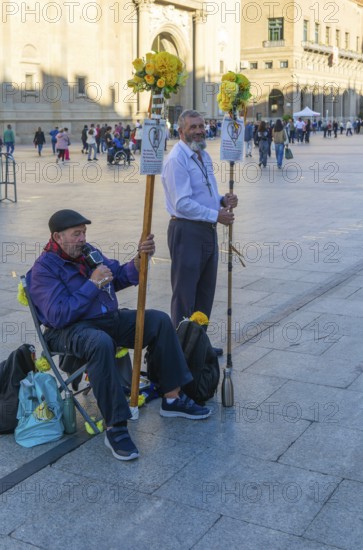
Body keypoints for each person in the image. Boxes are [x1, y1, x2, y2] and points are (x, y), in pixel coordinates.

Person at [26, 209, 211, 461]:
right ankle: (116, 427)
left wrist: (139, 259)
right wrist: (92, 285)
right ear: (57, 237)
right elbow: (59, 315)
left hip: (105, 319)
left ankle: (172, 397)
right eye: (76, 234)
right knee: (100, 342)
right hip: (67, 330)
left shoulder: (88, 252)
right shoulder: (43, 270)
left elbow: (119, 276)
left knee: (157, 320)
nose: (82, 238)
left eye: (84, 233)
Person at [161, 109, 238, 354]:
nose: (199, 130)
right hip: (187, 231)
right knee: (185, 294)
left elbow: (204, 195)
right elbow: (182, 203)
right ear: (181, 131)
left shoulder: (201, 154)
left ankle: (198, 344)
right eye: (193, 127)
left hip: (206, 230)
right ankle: (181, 350)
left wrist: (222, 201)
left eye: (201, 126)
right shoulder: (177, 159)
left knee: (205, 290)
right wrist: (216, 214)